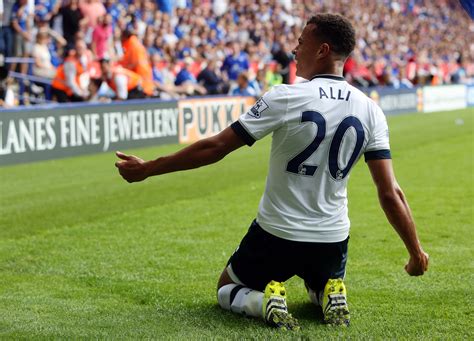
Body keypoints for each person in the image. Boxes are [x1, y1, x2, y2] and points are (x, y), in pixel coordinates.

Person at [114, 14, 429, 330]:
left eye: (300, 43)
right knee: (322, 280)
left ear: (322, 50)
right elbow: (390, 192)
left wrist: (149, 169)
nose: (294, 50)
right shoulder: (370, 109)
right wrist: (415, 252)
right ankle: (328, 292)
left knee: (227, 287)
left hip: (277, 234)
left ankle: (261, 301)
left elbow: (215, 148)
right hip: (331, 240)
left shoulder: (286, 96)